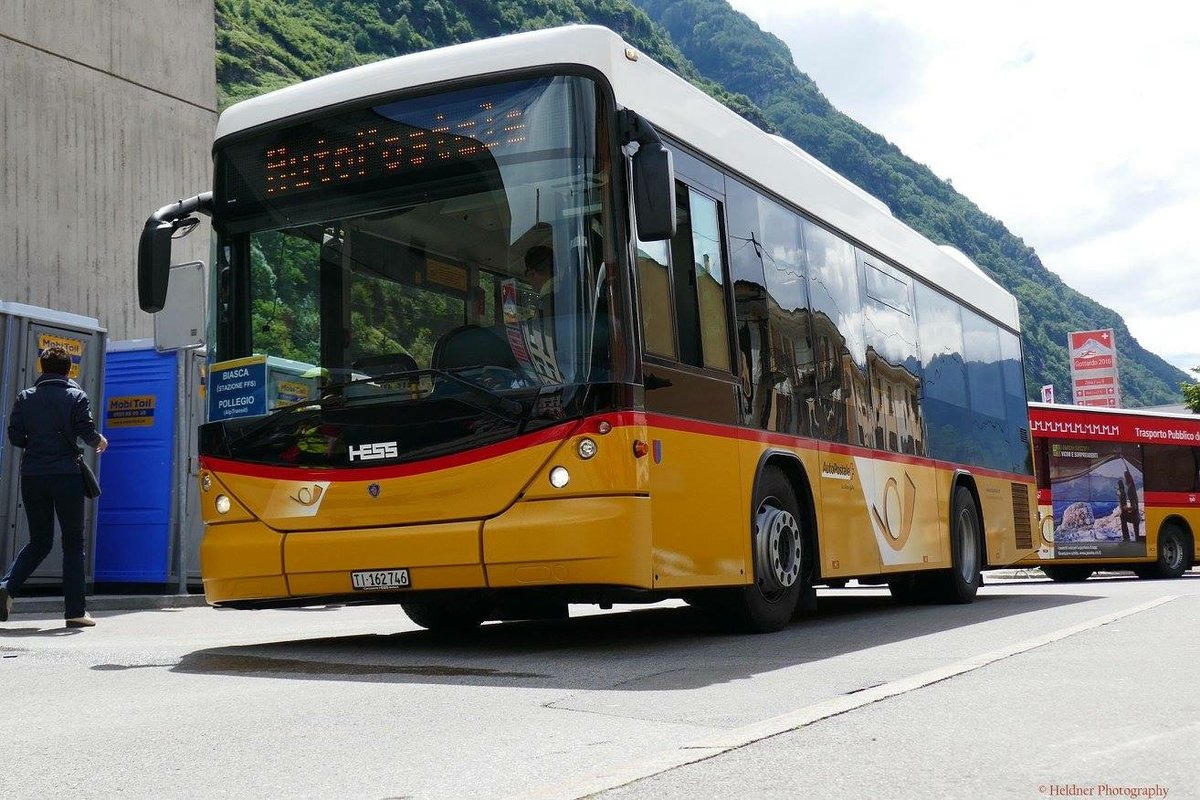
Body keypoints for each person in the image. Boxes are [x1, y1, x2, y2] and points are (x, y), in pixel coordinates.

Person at [0, 345, 108, 628]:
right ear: (69, 369)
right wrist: (99, 440)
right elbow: (85, 431)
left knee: (39, 541)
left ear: (42, 367)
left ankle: (7, 587)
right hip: (66, 476)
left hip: (33, 476)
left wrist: (37, 444)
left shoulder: (25, 397)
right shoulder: (76, 396)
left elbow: (15, 437)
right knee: (72, 542)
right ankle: (75, 611)